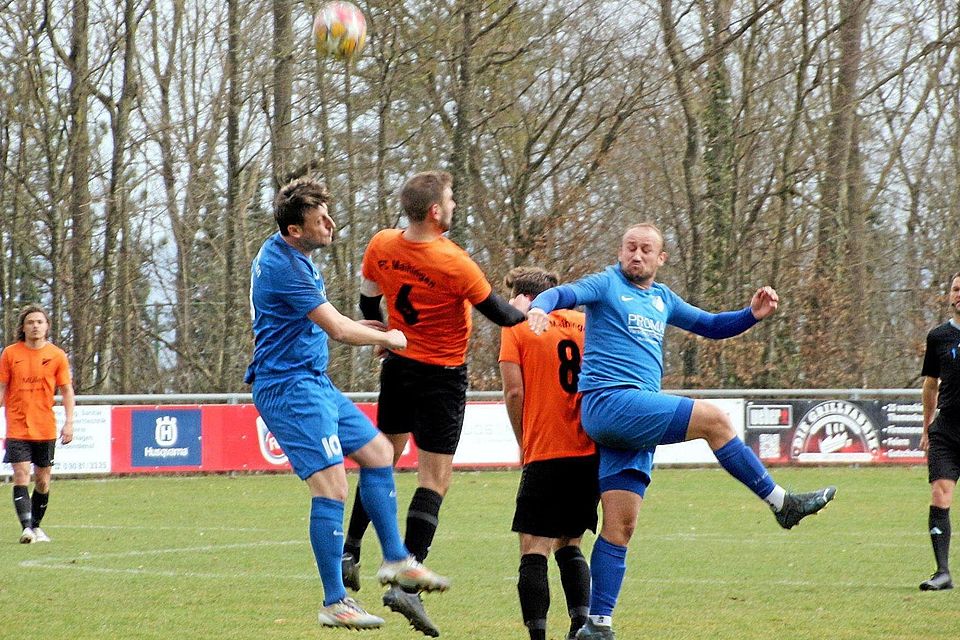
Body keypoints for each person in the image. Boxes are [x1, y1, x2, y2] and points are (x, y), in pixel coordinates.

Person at [527, 223, 837, 640]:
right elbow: (563, 294)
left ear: (660, 258)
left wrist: (752, 315)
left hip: (632, 422)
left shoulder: (662, 298)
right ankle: (781, 502)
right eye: (630, 248)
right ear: (621, 252)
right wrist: (540, 306)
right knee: (715, 420)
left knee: (621, 525)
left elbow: (710, 325)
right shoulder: (606, 283)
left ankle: (597, 625)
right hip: (609, 403)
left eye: (645, 250)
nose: (636, 255)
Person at [245, 177, 449, 631]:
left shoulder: (287, 252)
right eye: (321, 219)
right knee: (332, 487)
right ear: (296, 230)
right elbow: (337, 329)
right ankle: (335, 601)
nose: (332, 224)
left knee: (379, 454)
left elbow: (324, 321)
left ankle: (396, 559)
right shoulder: (288, 268)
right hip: (288, 387)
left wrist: (365, 328)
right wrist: (388, 336)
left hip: (312, 381)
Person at [341, 170, 525, 636]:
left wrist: (384, 332)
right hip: (442, 375)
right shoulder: (453, 261)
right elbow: (500, 314)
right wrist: (534, 310)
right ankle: (407, 578)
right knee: (435, 478)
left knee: (381, 457)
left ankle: (351, 548)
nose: (455, 205)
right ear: (435, 212)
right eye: (451, 198)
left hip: (399, 367)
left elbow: (367, 303)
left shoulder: (382, 243)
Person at [499, 267, 598, 640]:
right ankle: (580, 628)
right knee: (570, 542)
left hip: (546, 448)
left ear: (524, 296)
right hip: (588, 450)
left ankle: (538, 637)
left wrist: (523, 441)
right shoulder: (586, 324)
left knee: (533, 545)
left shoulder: (518, 325)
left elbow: (513, 393)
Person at [0, 304, 74, 544]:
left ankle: (36, 526)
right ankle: (26, 529)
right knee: (21, 475)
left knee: (43, 480)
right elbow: (2, 387)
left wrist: (69, 422)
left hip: (45, 427)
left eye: (39, 322)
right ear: (23, 327)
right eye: (30, 322)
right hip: (18, 426)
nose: (35, 326)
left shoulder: (57, 355)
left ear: (47, 326)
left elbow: (66, 390)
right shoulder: (10, 354)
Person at [918, 271, 960, 591]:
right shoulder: (938, 337)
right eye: (955, 289)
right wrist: (926, 427)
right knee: (939, 494)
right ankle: (942, 572)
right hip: (946, 428)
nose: (958, 294)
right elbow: (930, 384)